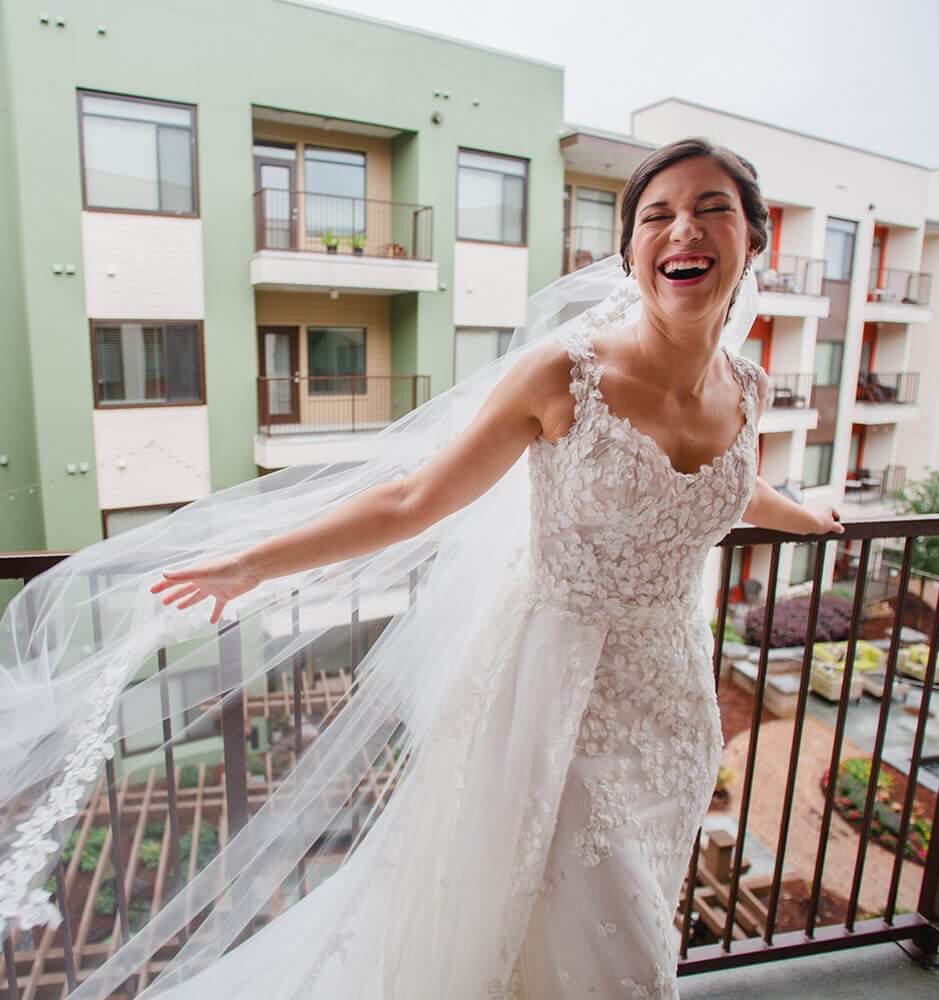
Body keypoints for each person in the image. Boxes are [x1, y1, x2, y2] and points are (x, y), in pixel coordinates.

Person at [145, 138, 843, 998]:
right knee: (608, 944)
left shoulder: (749, 389)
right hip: (558, 694)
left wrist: (808, 517)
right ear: (628, 253)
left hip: (673, 701)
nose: (682, 231)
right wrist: (254, 564)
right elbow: (412, 500)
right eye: (656, 216)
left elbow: (735, 486)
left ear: (752, 241)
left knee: (610, 918)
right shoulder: (564, 375)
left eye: (711, 210)